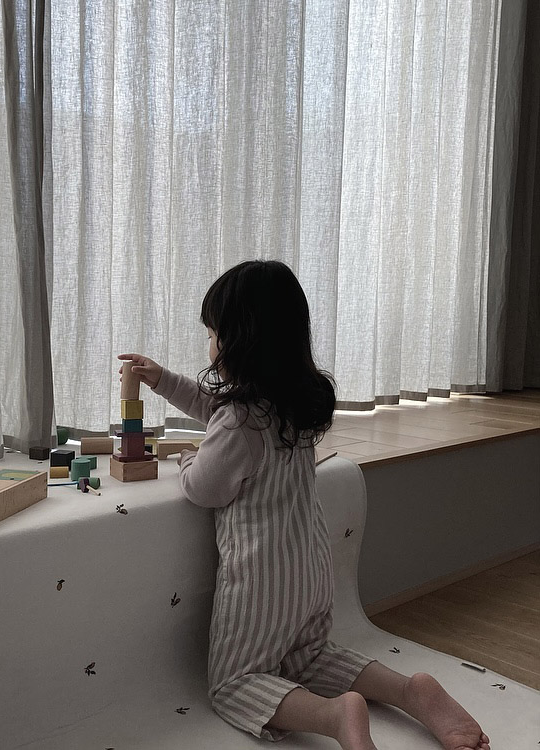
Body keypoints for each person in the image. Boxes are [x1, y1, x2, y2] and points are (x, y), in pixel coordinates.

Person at [118, 260, 490, 750]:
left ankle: (334, 716)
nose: (209, 345)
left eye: (212, 334)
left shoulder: (237, 421)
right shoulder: (292, 405)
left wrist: (189, 458)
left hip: (261, 578)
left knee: (234, 682)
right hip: (310, 565)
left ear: (238, 341)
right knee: (308, 657)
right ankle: (409, 691)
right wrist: (163, 379)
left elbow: (205, 488)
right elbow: (216, 407)